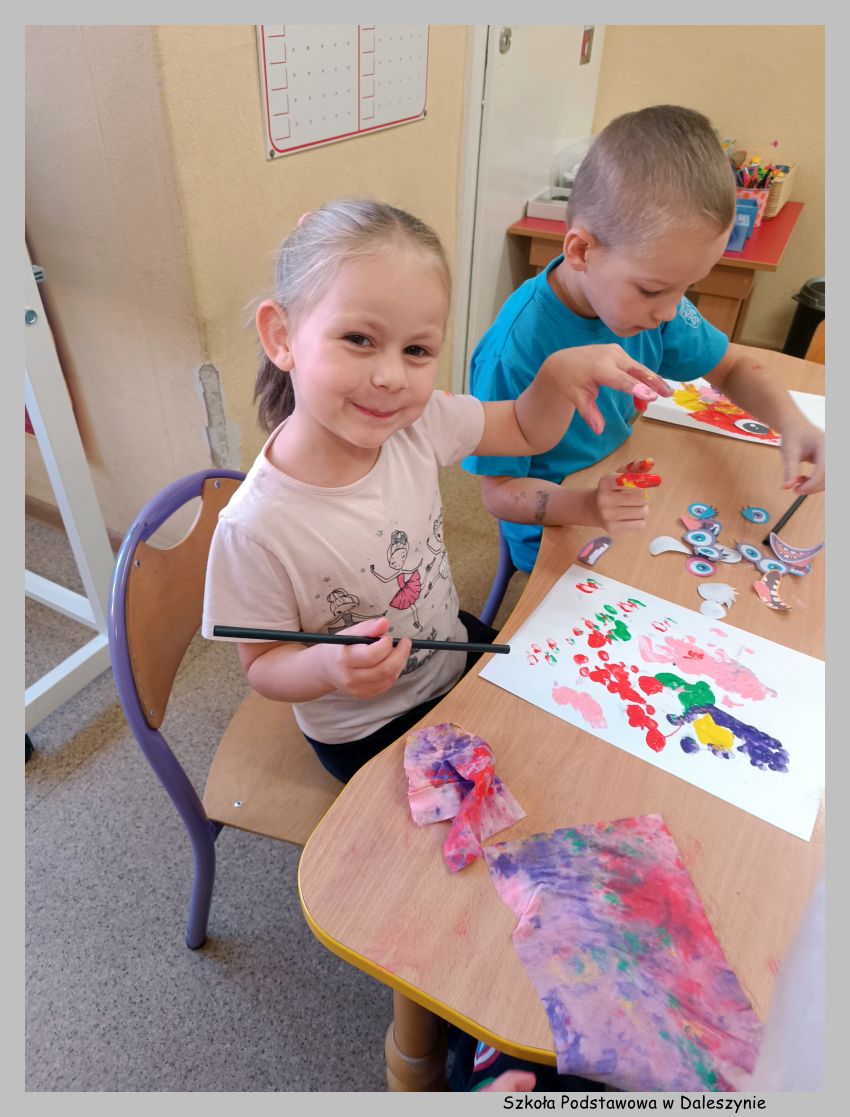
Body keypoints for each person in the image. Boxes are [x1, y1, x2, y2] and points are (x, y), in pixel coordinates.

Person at [201, 198, 668, 783]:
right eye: (358, 339)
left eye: (417, 350)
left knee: (580, 734)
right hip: (367, 726)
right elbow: (264, 664)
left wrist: (555, 377)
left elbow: (523, 427)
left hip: (451, 654)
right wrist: (327, 667)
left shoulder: (417, 424)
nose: (391, 377)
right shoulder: (255, 527)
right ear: (282, 336)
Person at [462, 104, 825, 575]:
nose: (670, 311)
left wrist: (795, 425)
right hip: (560, 522)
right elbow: (499, 492)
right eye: (653, 290)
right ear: (581, 250)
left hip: (625, 481)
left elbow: (732, 366)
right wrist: (588, 505)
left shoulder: (654, 303)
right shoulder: (513, 351)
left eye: (687, 287)